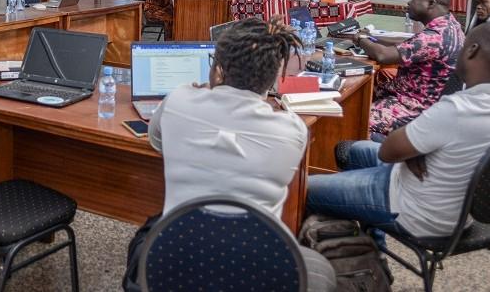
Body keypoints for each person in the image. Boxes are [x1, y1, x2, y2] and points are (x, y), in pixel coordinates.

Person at [123, 18, 336, 292]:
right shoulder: (292, 130)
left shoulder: (178, 100)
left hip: (177, 254)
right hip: (259, 264)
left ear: (218, 70)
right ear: (273, 78)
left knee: (146, 233)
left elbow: (156, 141)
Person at [307, 21, 490, 245]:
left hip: (417, 212)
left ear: (472, 50)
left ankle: (353, 259)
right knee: (353, 150)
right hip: (454, 203)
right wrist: (421, 149)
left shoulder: (457, 109)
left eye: (465, 45)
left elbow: (387, 151)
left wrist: (414, 149)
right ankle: (374, 251)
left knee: (302, 189)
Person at [354, 0, 464, 137]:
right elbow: (411, 43)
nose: (409, 2)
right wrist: (372, 37)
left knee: (355, 118)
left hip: (413, 108)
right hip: (429, 102)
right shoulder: (450, 25)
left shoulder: (434, 38)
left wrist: (360, 39)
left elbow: (383, 56)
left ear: (431, 3)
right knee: (363, 94)